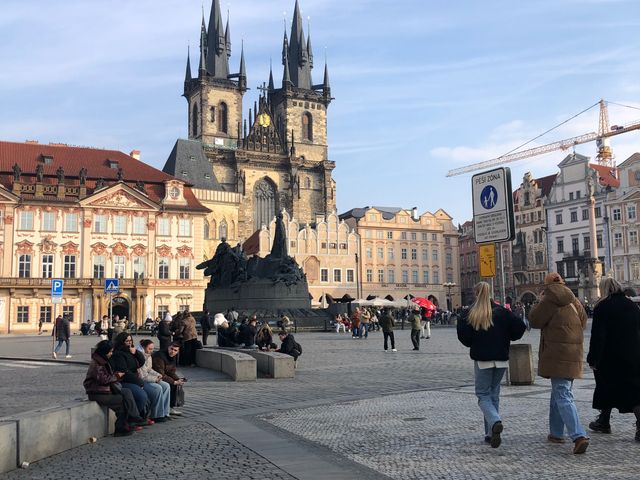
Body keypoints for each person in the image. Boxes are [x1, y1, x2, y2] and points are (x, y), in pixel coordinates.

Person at [457, 281, 526, 448]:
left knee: (482, 395)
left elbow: (464, 337)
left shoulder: (471, 313)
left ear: (475, 294)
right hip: (501, 359)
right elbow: (520, 327)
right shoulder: (503, 312)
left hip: (483, 360)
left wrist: (475, 341)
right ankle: (490, 434)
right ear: (490, 294)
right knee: (493, 394)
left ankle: (495, 422)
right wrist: (506, 337)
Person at [529, 272, 590, 454]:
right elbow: (584, 321)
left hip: (556, 354)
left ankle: (578, 435)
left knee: (562, 394)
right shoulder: (574, 300)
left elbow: (535, 320)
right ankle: (556, 433)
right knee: (560, 391)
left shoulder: (548, 299)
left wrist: (538, 302)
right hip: (573, 352)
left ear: (547, 286)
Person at [587, 278, 640, 441]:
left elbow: (598, 336)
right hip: (633, 354)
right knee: (633, 390)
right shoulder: (632, 306)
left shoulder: (602, 307)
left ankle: (604, 421)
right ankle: (604, 420)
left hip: (609, 356)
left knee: (606, 386)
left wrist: (593, 358)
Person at [83, 340, 144, 436]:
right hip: (97, 393)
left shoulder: (102, 360)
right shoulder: (97, 363)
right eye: (110, 351)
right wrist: (117, 376)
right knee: (122, 400)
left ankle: (132, 418)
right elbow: (103, 380)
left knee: (126, 392)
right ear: (104, 351)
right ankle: (122, 426)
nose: (111, 353)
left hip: (105, 390)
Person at [110, 333, 152, 425]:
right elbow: (125, 372)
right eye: (127, 341)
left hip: (134, 379)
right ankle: (132, 419)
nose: (129, 343)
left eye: (130, 340)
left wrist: (136, 352)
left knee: (152, 391)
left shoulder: (131, 351)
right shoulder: (118, 354)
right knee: (142, 396)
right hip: (124, 380)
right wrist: (139, 382)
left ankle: (144, 415)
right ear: (122, 342)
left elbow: (141, 362)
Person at [137, 339, 171, 423]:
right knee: (158, 388)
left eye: (152, 349)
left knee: (166, 386)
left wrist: (158, 374)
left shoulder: (149, 356)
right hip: (142, 380)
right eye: (150, 349)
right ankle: (157, 415)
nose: (151, 351)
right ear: (144, 347)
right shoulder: (140, 356)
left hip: (148, 378)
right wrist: (155, 379)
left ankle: (165, 412)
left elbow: (149, 369)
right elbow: (142, 375)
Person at [152, 342, 186, 416]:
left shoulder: (173, 357)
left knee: (177, 384)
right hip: (154, 377)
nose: (173, 351)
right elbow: (160, 374)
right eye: (171, 349)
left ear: (178, 351)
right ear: (168, 347)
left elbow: (171, 372)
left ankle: (170, 407)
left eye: (175, 350)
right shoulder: (159, 356)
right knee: (169, 384)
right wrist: (173, 381)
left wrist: (178, 379)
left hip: (163, 376)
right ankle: (164, 409)